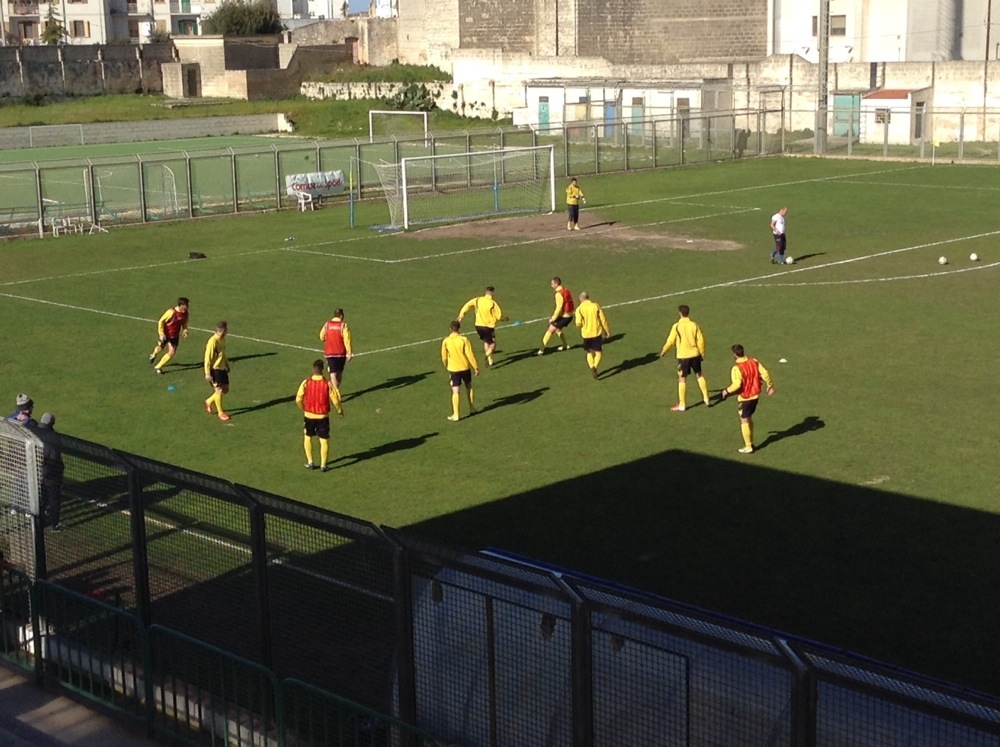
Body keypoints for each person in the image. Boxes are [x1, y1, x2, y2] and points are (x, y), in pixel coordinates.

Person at [720, 344, 775, 454]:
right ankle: (751, 442)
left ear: (734, 354)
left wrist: (727, 390)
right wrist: (769, 385)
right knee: (748, 418)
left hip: (745, 397)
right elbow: (765, 373)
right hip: (755, 397)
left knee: (744, 420)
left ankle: (748, 446)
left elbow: (737, 384)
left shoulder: (736, 368)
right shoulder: (754, 361)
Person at [659, 305, 711, 411]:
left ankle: (682, 405)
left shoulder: (677, 326)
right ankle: (706, 399)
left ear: (680, 313)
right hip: (695, 354)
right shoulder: (694, 325)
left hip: (683, 357)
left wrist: (664, 351)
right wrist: (702, 352)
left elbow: (670, 341)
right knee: (699, 375)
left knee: (682, 379)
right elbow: (700, 339)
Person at [296, 359, 344, 472]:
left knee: (307, 437)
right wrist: (339, 410)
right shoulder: (327, 383)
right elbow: (335, 399)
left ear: (313, 370)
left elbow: (298, 398)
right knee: (324, 440)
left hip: (309, 415)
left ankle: (310, 462)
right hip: (322, 416)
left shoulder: (306, 382)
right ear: (322, 370)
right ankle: (323, 465)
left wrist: (303, 408)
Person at [456, 286, 507, 367]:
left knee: (486, 341)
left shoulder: (477, 300)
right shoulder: (493, 303)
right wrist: (505, 319)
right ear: (493, 293)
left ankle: (490, 360)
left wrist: (461, 315)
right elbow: (499, 316)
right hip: (488, 327)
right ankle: (487, 354)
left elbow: (467, 305)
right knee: (492, 343)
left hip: (478, 326)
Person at [441, 320, 479, 422]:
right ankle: (472, 408)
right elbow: (469, 354)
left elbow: (444, 357)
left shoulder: (446, 341)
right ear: (459, 329)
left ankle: (456, 414)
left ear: (450, 329)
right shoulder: (464, 340)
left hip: (453, 369)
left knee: (455, 390)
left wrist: (447, 366)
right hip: (465, 368)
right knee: (469, 386)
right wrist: (475, 367)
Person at [37, 412, 66, 530]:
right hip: (51, 473)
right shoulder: (53, 437)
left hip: (39, 471)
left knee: (42, 498)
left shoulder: (34, 431)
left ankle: (40, 521)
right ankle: (55, 524)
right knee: (54, 499)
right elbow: (54, 457)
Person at [149, 298, 190, 375]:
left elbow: (184, 323)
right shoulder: (171, 312)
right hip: (166, 334)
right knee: (160, 348)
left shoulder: (186, 313)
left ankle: (158, 367)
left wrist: (185, 330)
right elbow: (161, 321)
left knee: (172, 352)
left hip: (174, 335)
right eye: (186, 305)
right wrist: (161, 333)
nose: (188, 306)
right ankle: (153, 354)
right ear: (181, 305)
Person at [574, 292, 610, 379]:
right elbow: (603, 319)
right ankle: (595, 366)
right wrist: (607, 331)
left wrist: (582, 324)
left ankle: (591, 367)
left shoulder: (579, 309)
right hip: (596, 333)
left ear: (580, 299)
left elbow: (578, 323)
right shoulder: (595, 306)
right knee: (598, 352)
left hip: (586, 334)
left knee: (589, 352)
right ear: (588, 298)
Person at [537, 277, 574, 356]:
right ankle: (565, 345)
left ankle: (541, 349)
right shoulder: (565, 289)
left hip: (565, 316)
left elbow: (559, 307)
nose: (551, 285)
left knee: (550, 329)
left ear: (556, 284)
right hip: (569, 314)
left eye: (552, 284)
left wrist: (553, 318)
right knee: (557, 330)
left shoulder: (558, 294)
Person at [318, 309, 353, 391]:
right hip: (340, 353)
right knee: (339, 372)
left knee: (333, 373)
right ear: (341, 316)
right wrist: (349, 352)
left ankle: (335, 390)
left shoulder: (327, 325)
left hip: (330, 353)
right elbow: (347, 340)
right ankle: (336, 392)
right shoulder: (343, 325)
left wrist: (327, 340)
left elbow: (321, 336)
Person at [203, 321, 231, 422]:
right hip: (214, 369)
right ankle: (220, 413)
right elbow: (207, 358)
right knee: (218, 390)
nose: (228, 331)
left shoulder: (222, 339)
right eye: (226, 329)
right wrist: (207, 373)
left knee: (225, 389)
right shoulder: (212, 341)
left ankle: (208, 401)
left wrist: (227, 364)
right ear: (223, 330)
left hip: (222, 367)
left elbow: (222, 354)